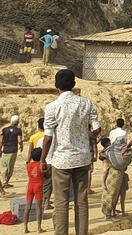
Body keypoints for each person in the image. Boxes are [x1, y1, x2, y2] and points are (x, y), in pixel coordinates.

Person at [41, 69, 101, 235]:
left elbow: (47, 138)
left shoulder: (52, 107)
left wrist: (42, 159)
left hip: (61, 160)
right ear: (74, 84)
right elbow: (97, 129)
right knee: (81, 201)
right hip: (82, 158)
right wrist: (87, 136)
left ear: (56, 86)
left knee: (61, 202)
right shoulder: (86, 103)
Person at [100, 136, 131, 221]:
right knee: (110, 195)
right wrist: (103, 183)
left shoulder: (113, 151)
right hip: (113, 176)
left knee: (114, 195)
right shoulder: (111, 152)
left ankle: (111, 213)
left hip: (116, 176)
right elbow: (105, 170)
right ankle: (108, 215)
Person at [23, 147, 44, 233]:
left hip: (30, 186)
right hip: (38, 186)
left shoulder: (28, 165)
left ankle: (25, 228)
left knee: (27, 207)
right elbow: (45, 173)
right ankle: (39, 228)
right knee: (38, 207)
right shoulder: (41, 165)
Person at [1, 114, 23, 188]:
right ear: (18, 122)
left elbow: (1, 141)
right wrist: (21, 146)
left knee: (3, 166)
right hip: (13, 150)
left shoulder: (4, 130)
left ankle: (4, 181)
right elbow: (19, 140)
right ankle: (6, 182)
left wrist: (0, 149)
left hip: (5, 150)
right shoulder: (18, 130)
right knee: (10, 167)